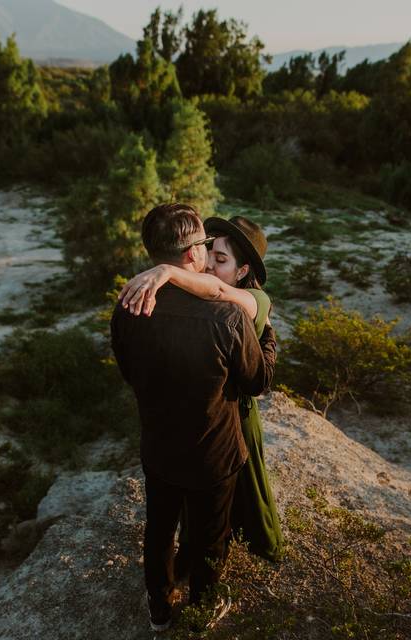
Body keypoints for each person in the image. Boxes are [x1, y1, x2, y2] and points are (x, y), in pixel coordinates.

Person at [110, 204, 277, 633]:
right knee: (209, 537)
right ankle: (202, 608)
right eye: (206, 246)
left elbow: (129, 372)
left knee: (160, 529)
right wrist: (269, 339)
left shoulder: (128, 305)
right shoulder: (227, 317)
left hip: (159, 447)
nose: (207, 254)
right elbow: (257, 381)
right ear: (192, 255)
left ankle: (160, 610)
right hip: (213, 454)